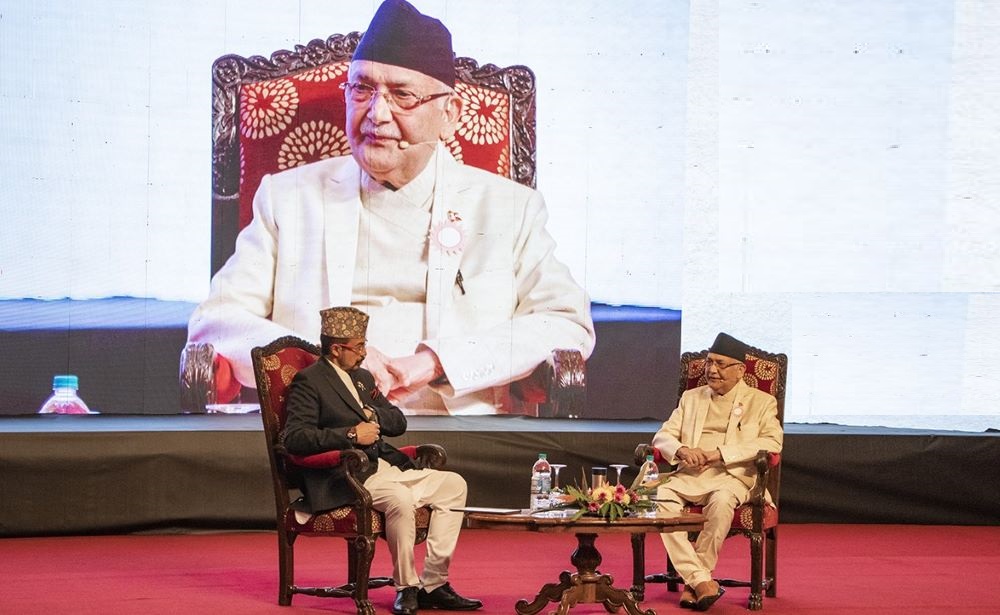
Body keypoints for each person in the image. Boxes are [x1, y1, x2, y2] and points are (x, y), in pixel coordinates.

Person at [186, 0, 595, 415]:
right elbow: (216, 322)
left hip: (460, 429)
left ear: (450, 114)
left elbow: (566, 322)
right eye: (362, 89)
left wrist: (439, 362)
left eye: (402, 95)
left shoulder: (508, 208)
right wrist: (324, 361)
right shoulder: (288, 198)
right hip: (318, 428)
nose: (377, 114)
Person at [282, 306, 482, 614]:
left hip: (384, 467)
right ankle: (407, 587)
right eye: (359, 346)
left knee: (454, 485)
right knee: (400, 498)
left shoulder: (362, 378)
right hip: (346, 475)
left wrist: (373, 414)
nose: (364, 353)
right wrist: (351, 434)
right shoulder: (310, 381)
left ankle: (434, 584)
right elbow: (295, 438)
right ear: (336, 349)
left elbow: (398, 421)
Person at [650, 333, 783, 611]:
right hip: (689, 475)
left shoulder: (761, 401)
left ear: (740, 370)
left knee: (721, 502)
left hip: (733, 476)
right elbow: (663, 436)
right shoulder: (691, 397)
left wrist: (720, 454)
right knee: (661, 499)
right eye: (709, 362)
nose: (711, 370)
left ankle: (695, 582)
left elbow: (772, 443)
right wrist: (682, 450)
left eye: (721, 364)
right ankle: (701, 581)